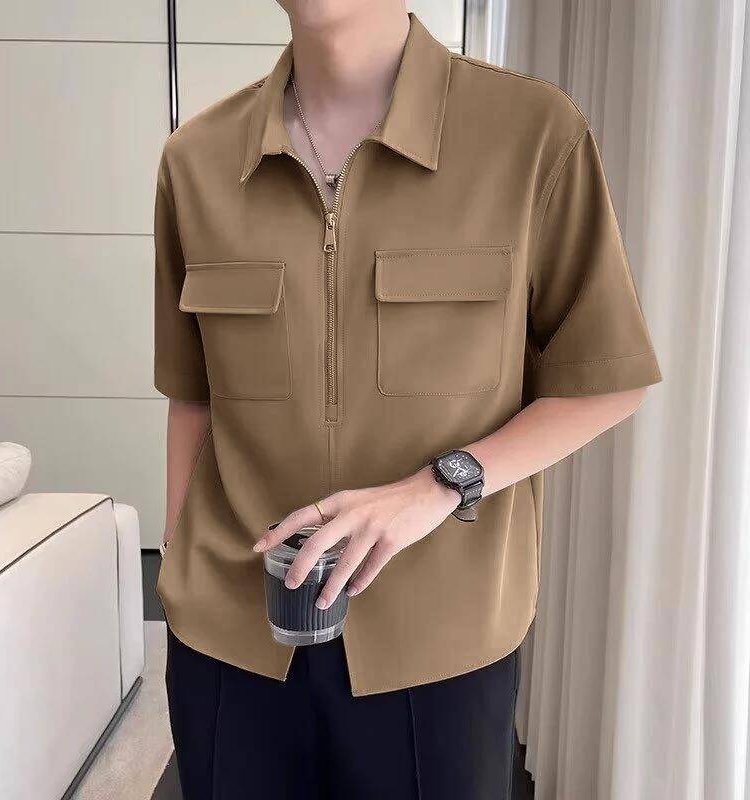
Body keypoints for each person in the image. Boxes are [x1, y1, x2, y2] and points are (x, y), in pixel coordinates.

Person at [154, 2, 662, 798]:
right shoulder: (196, 159)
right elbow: (192, 395)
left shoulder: (531, 134)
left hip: (439, 643)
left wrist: (438, 486)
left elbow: (605, 376)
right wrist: (179, 573)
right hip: (232, 635)